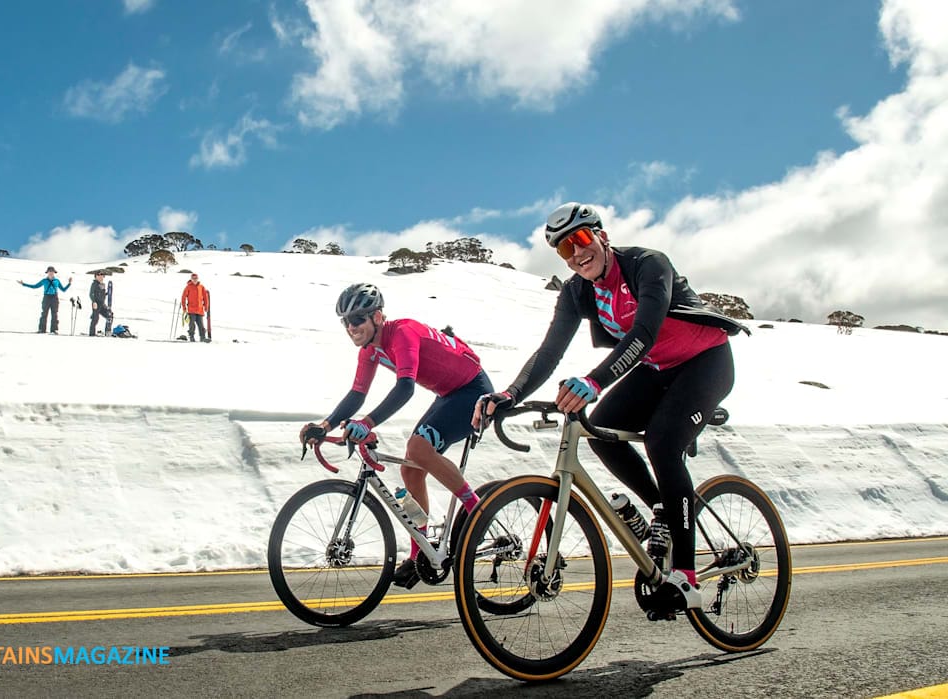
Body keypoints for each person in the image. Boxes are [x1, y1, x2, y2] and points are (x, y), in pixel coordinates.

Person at [472, 202, 750, 617]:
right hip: (657, 369)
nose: (576, 254)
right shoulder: (576, 292)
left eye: (581, 239)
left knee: (663, 441)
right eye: (564, 250)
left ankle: (686, 577)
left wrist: (594, 381)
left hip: (705, 363)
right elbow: (549, 351)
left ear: (601, 235)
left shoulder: (647, 265)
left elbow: (644, 333)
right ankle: (662, 509)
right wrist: (509, 394)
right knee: (600, 429)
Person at [300, 283, 494, 589]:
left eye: (357, 319)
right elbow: (357, 393)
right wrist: (325, 426)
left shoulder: (402, 332)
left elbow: (405, 388)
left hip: (473, 391)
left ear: (377, 316)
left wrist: (367, 423)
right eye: (346, 322)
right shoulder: (369, 351)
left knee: (418, 449)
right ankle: (421, 554)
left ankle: (479, 510)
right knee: (410, 470)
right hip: (448, 394)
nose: (351, 327)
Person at [18, 266, 72, 334]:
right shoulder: (44, 281)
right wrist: (23, 284)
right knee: (44, 313)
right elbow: (34, 286)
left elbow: (63, 290)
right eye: (49, 271)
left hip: (55, 298)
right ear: (47, 272)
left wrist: (69, 283)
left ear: (54, 272)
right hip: (46, 298)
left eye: (52, 271)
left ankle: (54, 330)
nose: (51, 273)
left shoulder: (57, 281)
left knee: (54, 314)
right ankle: (42, 329)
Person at [180, 272, 210, 343]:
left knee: (201, 325)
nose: (195, 280)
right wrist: (184, 308)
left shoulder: (201, 287)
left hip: (200, 310)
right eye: (193, 278)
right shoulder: (188, 287)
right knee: (192, 325)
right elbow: (183, 298)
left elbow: (205, 298)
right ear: (191, 279)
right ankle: (191, 337)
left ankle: (202, 337)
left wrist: (206, 306)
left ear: (198, 278)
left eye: (196, 278)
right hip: (191, 310)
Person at [89, 271, 113, 337]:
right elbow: (91, 294)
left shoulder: (102, 285)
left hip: (102, 304)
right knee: (95, 319)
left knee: (109, 315)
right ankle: (92, 333)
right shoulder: (94, 284)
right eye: (99, 276)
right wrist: (94, 302)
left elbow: (102, 294)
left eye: (102, 276)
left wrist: (108, 293)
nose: (101, 277)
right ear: (96, 276)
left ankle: (108, 331)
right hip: (96, 304)